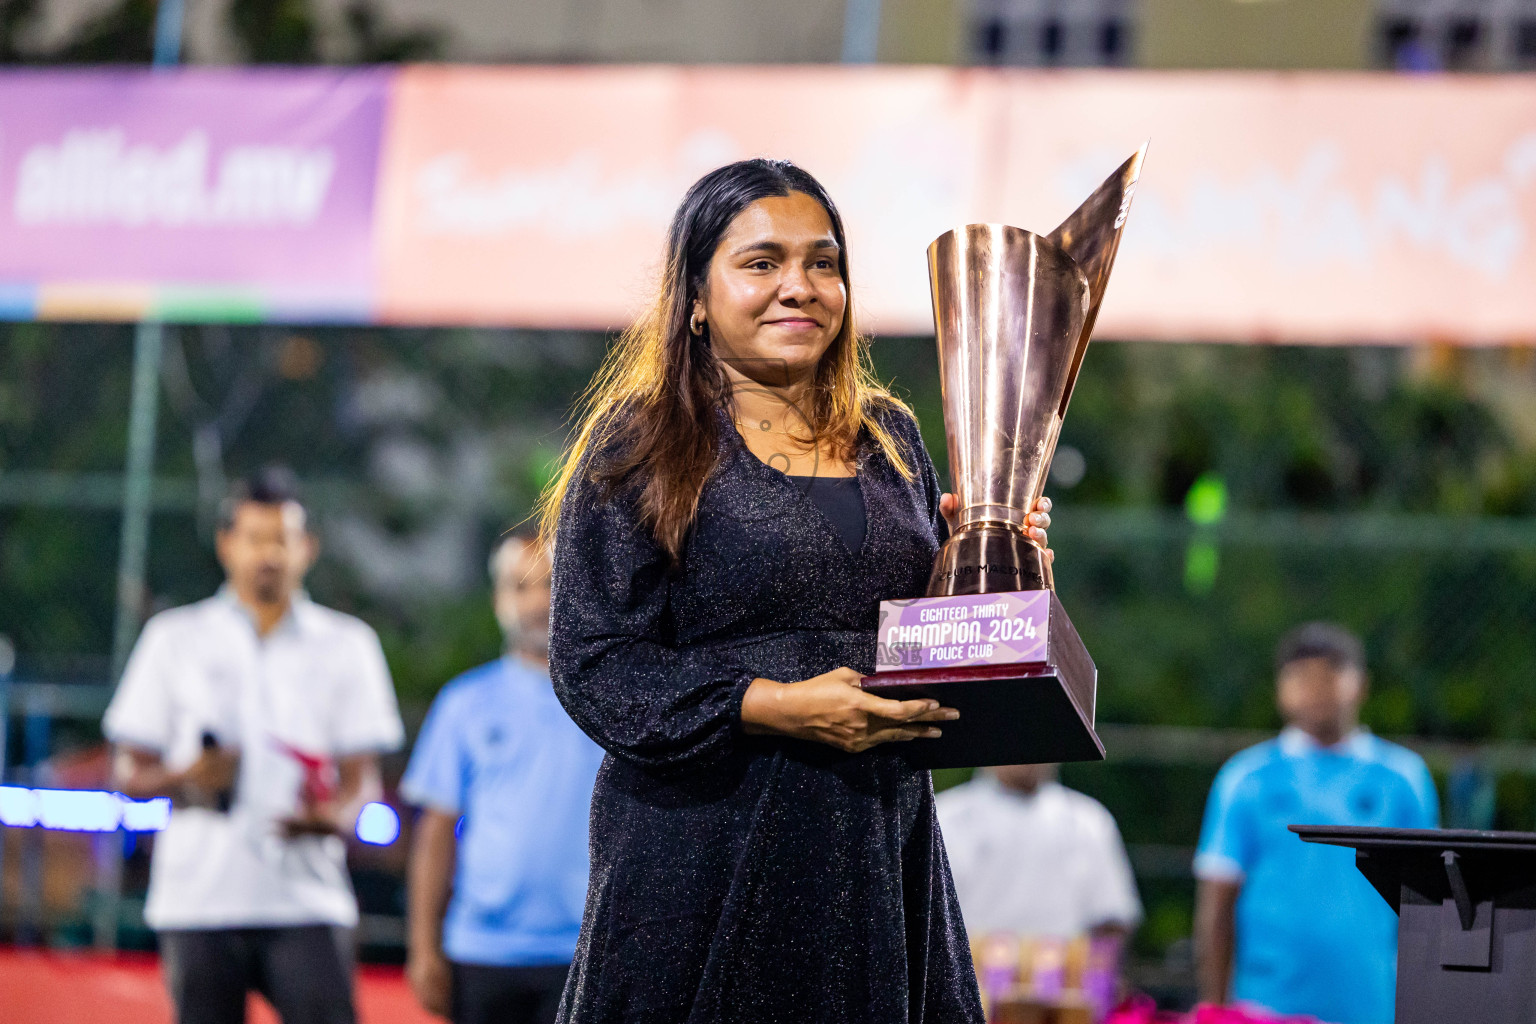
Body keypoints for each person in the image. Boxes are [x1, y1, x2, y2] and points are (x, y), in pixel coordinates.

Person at [537, 158, 1055, 1023]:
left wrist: (1000, 563)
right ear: (695, 297)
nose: (800, 287)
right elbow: (594, 664)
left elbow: (922, 639)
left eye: (823, 263)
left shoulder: (890, 435)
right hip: (701, 850)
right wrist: (772, 705)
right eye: (762, 263)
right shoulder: (641, 443)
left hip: (871, 838)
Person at [103, 468, 405, 1024]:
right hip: (198, 900)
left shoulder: (348, 644)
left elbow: (363, 780)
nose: (268, 554)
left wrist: (335, 815)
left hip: (307, 898)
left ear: (307, 547)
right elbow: (126, 770)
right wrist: (188, 776)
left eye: (282, 539)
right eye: (254, 538)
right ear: (226, 544)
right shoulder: (174, 638)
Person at [1193, 622, 1440, 1024]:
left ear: (1361, 684)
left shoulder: (1403, 778)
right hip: (1264, 1007)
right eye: (1301, 676)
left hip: (1374, 1006)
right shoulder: (1246, 778)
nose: (1316, 688)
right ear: (1280, 689)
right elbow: (1217, 903)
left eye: (1331, 674)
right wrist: (1214, 1010)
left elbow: (1430, 906)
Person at [402, 533, 604, 1024]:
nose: (538, 601)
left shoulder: (611, 703)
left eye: (553, 585)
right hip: (481, 952)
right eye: (521, 586)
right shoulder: (464, 703)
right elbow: (434, 834)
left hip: (590, 949)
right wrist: (423, 946)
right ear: (499, 599)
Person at [937, 763, 1142, 941]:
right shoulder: (944, 817)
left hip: (1062, 981)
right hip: (966, 980)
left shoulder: (1089, 821)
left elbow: (1111, 920)